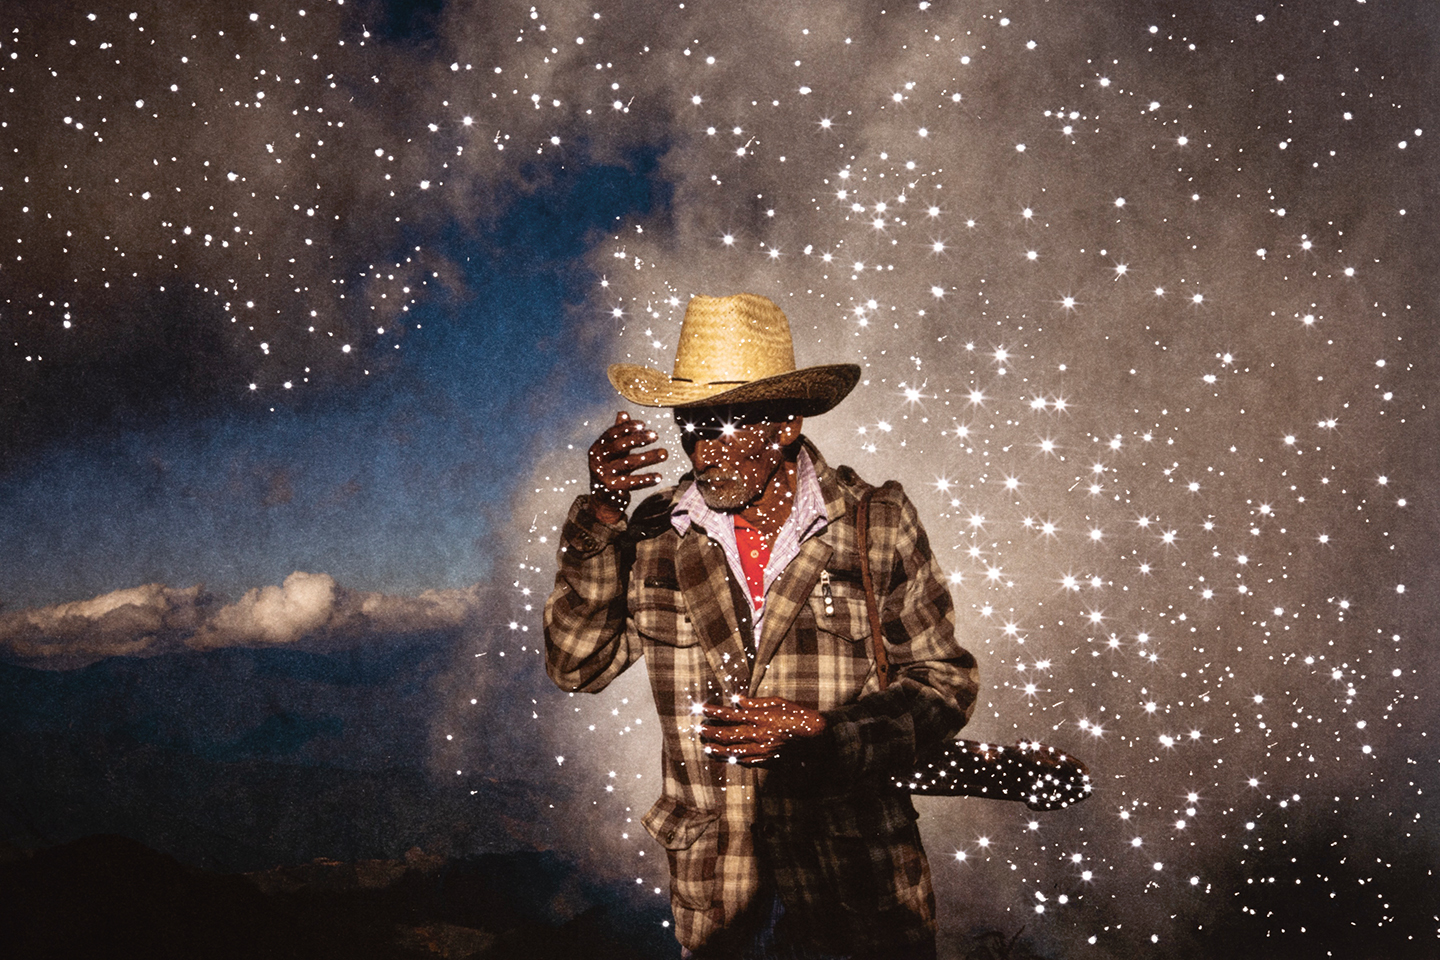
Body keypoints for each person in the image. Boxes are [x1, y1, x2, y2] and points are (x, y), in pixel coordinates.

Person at [544, 293, 979, 959]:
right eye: (690, 425)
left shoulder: (876, 523)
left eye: (722, 424)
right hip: (721, 899)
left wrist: (827, 733)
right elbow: (576, 665)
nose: (701, 451)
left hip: (857, 891)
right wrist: (603, 514)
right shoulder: (655, 533)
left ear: (785, 424)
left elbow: (944, 685)